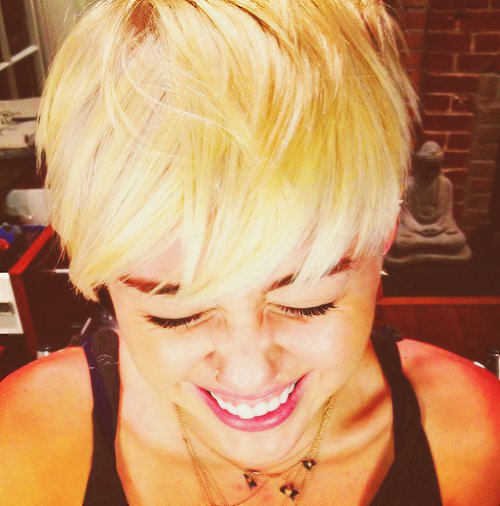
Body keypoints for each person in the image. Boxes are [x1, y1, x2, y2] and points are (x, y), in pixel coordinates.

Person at [1, 1, 499, 505]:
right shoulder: (21, 443)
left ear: (385, 230)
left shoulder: (478, 440)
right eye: (175, 315)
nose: (249, 376)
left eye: (309, 303)